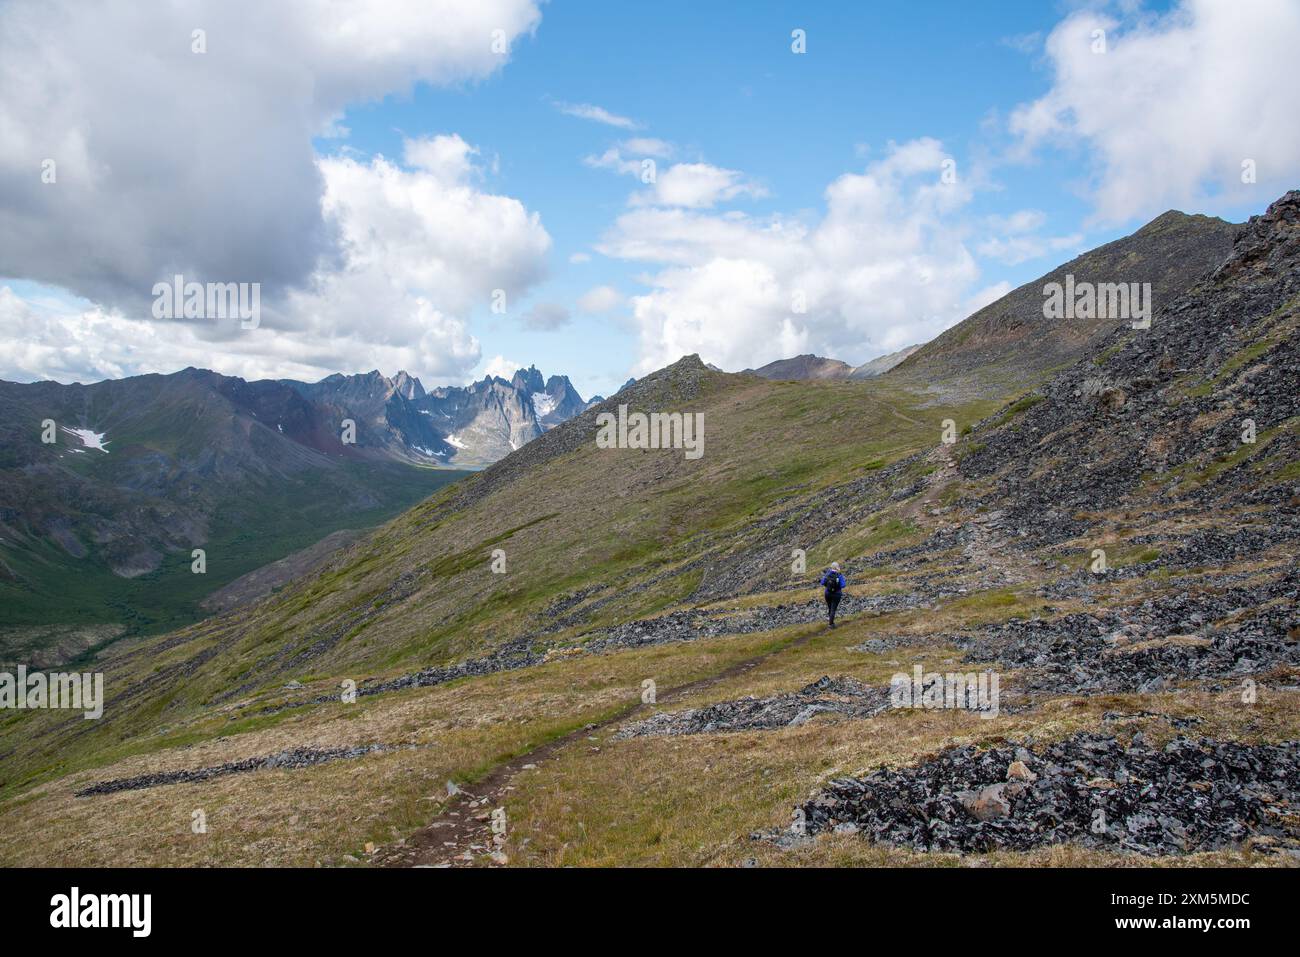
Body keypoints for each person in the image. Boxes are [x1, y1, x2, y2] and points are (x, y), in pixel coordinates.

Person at [819, 562, 846, 628]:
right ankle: (831, 624)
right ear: (837, 567)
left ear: (831, 567)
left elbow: (822, 582)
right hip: (837, 594)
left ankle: (830, 621)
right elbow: (843, 585)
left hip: (827, 594)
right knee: (833, 609)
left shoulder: (827, 574)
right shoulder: (839, 575)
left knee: (830, 608)